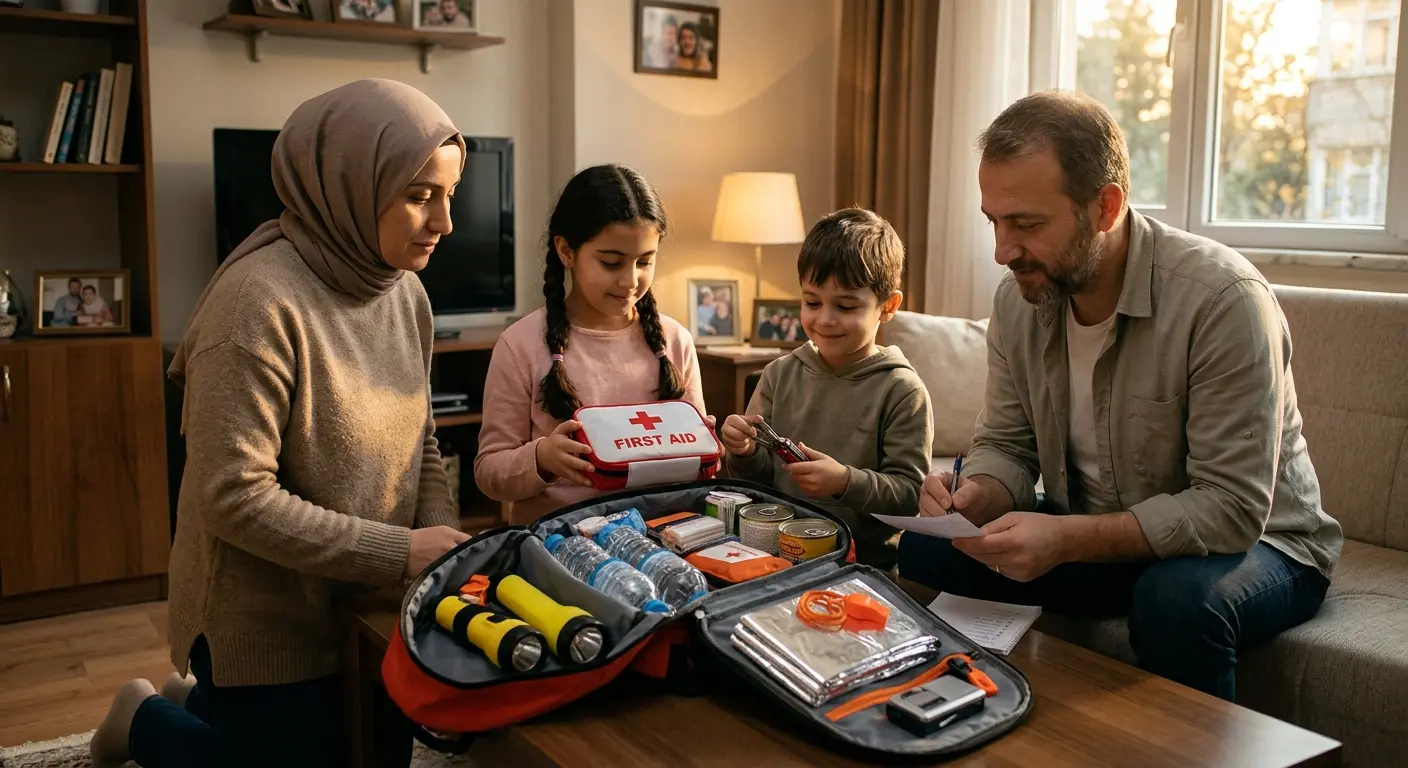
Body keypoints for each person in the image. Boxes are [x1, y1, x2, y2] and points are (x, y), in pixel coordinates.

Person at [897, 91, 1342, 701]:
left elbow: (1231, 508)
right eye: (994, 222)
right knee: (927, 549)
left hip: (1265, 544)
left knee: (1175, 599)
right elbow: (1007, 444)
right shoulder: (1019, 300)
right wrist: (975, 494)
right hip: (1109, 534)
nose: (1003, 250)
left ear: (1104, 206)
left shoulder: (1222, 300)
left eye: (1026, 223)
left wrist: (1069, 539)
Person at [89, 79, 471, 768]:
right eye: (419, 195)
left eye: (449, 194)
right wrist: (399, 551)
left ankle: (196, 708)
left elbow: (424, 441)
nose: (444, 222)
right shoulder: (255, 303)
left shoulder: (405, 293)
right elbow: (233, 498)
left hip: (364, 602)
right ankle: (144, 715)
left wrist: (430, 558)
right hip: (265, 623)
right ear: (349, 184)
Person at [475, 164, 709, 525]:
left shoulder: (674, 341)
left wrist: (705, 448)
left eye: (645, 261)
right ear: (566, 251)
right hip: (561, 542)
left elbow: (697, 467)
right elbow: (489, 472)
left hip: (661, 536)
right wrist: (541, 458)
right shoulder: (520, 346)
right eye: (611, 262)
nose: (630, 280)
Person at [721, 208, 933, 569]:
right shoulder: (778, 375)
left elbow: (910, 496)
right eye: (812, 302)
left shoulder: (902, 390)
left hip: (861, 563)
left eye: (846, 305)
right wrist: (741, 451)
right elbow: (755, 480)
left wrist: (845, 482)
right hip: (775, 555)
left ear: (888, 306)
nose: (824, 319)